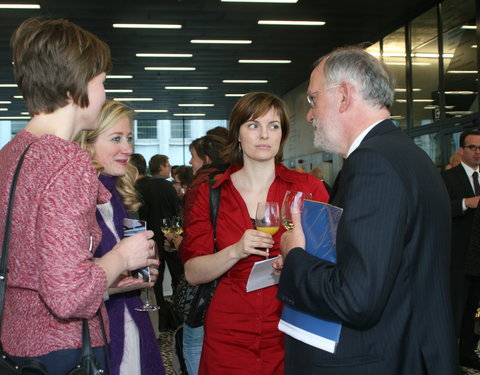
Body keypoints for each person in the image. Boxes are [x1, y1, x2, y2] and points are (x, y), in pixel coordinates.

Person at [278, 46, 458, 375]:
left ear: (344, 95)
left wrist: (295, 257)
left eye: (313, 100)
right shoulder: (407, 155)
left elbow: (357, 299)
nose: (309, 115)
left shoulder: (373, 163)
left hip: (378, 358)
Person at [0, 18, 156, 374]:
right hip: (64, 350)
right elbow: (69, 295)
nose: (103, 95)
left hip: (18, 345)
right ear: (75, 87)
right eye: (101, 82)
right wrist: (123, 256)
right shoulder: (67, 161)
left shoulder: (12, 154)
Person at [182, 92, 329, 375]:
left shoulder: (307, 189)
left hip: (292, 323)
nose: (264, 135)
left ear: (282, 135)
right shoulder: (210, 194)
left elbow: (331, 258)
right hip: (229, 330)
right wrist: (235, 250)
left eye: (273, 126)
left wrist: (298, 259)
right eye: (253, 125)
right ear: (237, 134)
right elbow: (192, 272)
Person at [76, 100, 165, 375]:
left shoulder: (116, 196)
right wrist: (118, 283)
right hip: (98, 335)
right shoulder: (74, 199)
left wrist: (142, 270)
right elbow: (67, 287)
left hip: (132, 323)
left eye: (129, 138)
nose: (127, 148)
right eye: (116, 138)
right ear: (87, 143)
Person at [441, 129, 480, 370]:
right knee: (455, 312)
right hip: (457, 259)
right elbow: (438, 209)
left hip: (479, 260)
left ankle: (468, 352)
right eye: (472, 147)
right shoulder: (447, 178)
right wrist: (467, 203)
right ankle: (448, 357)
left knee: (475, 312)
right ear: (462, 150)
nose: (477, 152)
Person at [137, 154, 181, 331]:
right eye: (168, 165)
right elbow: (176, 211)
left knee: (155, 281)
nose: (169, 168)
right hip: (170, 237)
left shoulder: (143, 187)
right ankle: (177, 318)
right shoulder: (168, 187)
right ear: (161, 167)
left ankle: (159, 321)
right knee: (177, 277)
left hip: (150, 238)